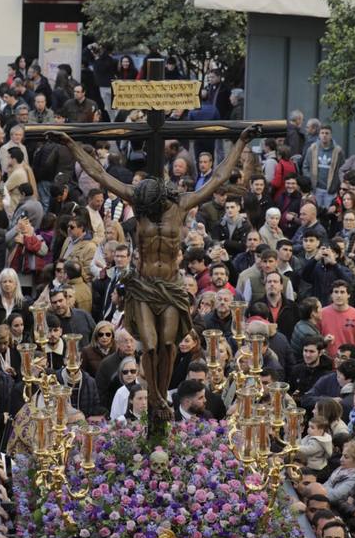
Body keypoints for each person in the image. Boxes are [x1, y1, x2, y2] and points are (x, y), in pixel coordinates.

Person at [48, 126, 255, 430]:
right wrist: (71, 144)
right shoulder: (138, 200)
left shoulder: (181, 204)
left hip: (170, 285)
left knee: (169, 344)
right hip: (144, 285)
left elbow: (219, 177)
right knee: (151, 343)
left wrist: (241, 142)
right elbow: (101, 175)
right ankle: (157, 397)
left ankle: (159, 397)